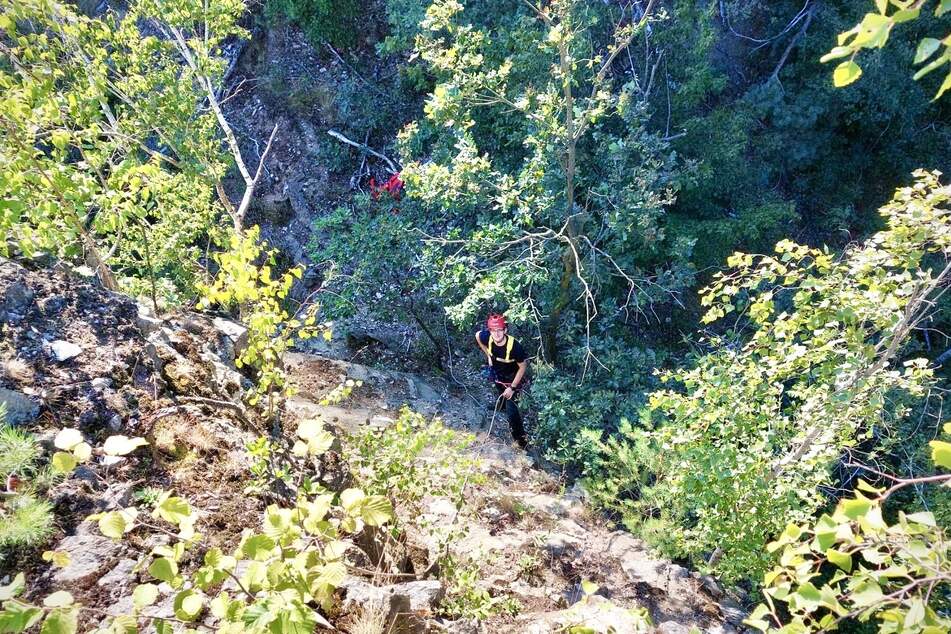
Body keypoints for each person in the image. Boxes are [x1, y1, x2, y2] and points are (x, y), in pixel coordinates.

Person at [475, 313, 529, 448]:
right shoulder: (487, 337)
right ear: (490, 331)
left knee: (513, 414)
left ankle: (521, 442)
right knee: (500, 392)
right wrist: (488, 355)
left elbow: (523, 367)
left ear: (505, 330)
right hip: (498, 375)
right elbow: (477, 335)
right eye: (494, 331)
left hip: (512, 379)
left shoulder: (515, 347)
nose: (497, 334)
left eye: (500, 330)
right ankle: (500, 406)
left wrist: (512, 388)